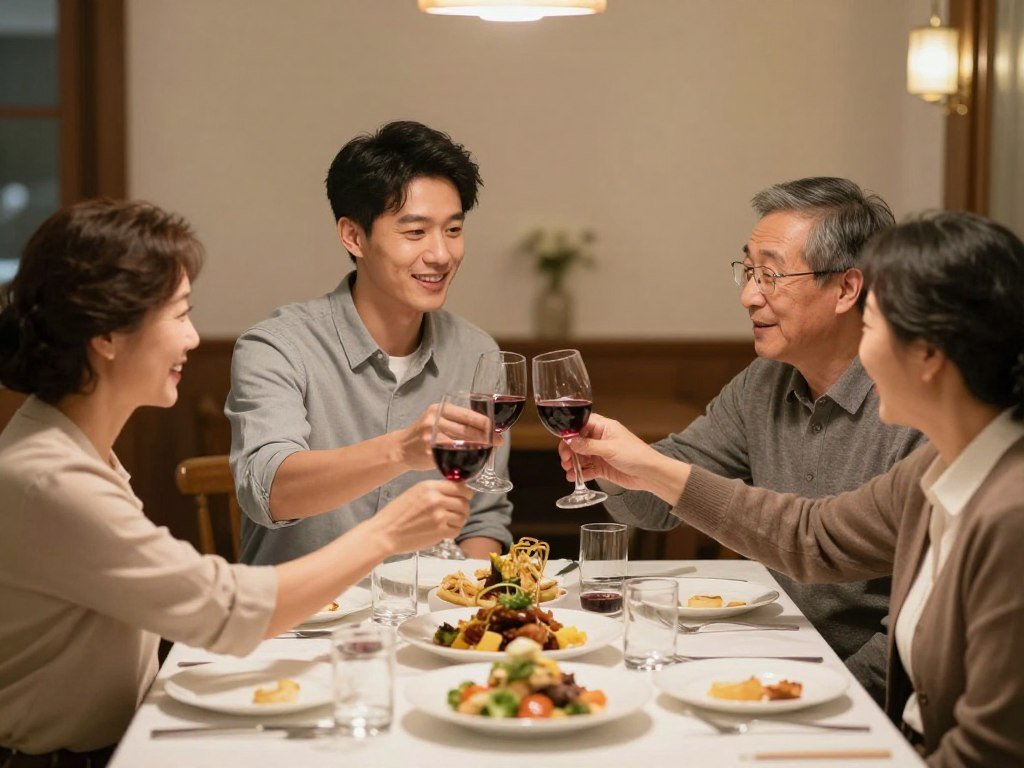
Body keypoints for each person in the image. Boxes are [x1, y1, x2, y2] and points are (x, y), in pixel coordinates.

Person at [0, 200, 471, 764]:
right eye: (178, 315)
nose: (194, 339)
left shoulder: (72, 449)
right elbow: (222, 610)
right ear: (107, 336)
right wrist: (386, 535)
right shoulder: (49, 480)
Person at [563, 211, 1024, 766]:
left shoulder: (1009, 515)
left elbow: (988, 751)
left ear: (929, 356)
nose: (863, 351)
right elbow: (811, 537)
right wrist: (644, 466)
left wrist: (806, 716)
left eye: (872, 325)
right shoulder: (934, 472)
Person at [592, 177, 925, 703]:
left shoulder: (914, 411)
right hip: (768, 656)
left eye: (770, 274)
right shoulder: (762, 383)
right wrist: (605, 465)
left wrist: (823, 696)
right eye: (748, 272)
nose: (749, 296)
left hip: (843, 693)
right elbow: (656, 505)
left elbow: (910, 632)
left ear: (846, 289)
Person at [226, 120, 512, 566]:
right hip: (301, 624)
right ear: (354, 236)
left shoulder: (476, 354)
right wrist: (400, 451)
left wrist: (468, 594)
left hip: (427, 624)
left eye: (453, 230)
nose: (441, 254)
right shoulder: (277, 347)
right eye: (415, 232)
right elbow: (270, 491)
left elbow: (482, 519)